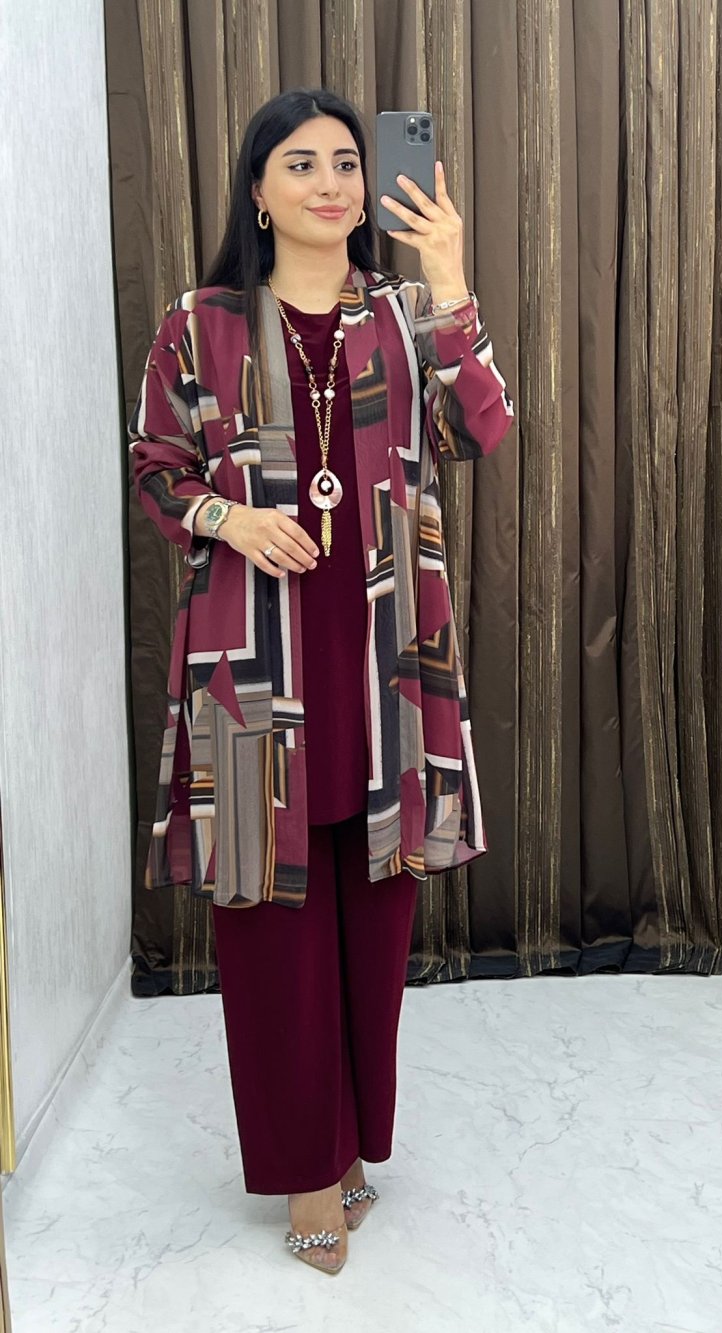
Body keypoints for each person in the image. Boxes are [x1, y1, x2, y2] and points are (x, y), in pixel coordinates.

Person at [128, 87, 514, 1275]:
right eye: (300, 163)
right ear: (257, 189)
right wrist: (231, 520)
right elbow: (155, 465)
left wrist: (449, 279)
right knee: (271, 928)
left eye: (347, 162)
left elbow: (482, 429)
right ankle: (305, 1168)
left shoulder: (399, 315)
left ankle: (347, 1142)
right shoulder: (201, 325)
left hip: (388, 660)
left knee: (372, 917)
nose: (331, 183)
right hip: (253, 663)